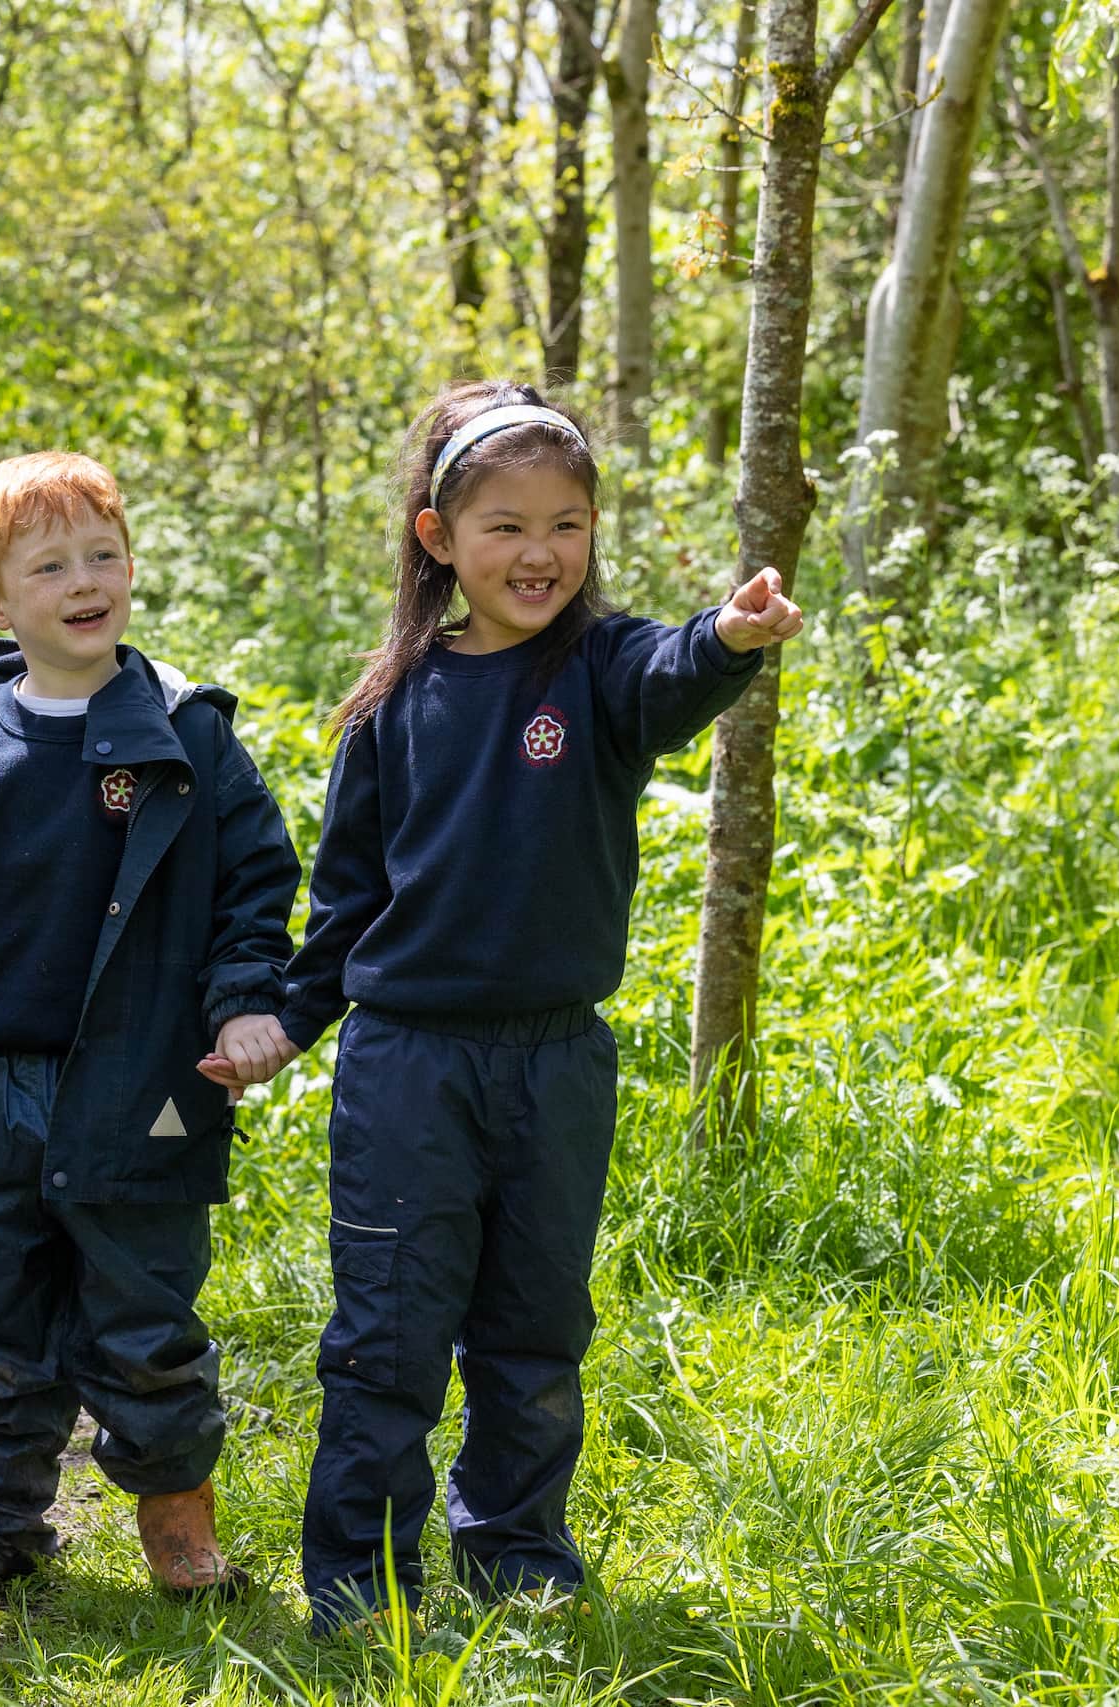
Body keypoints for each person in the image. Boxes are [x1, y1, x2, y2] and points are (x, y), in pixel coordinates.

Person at [278, 381, 805, 1632]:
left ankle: (516, 1553)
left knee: (535, 1327)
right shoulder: (395, 706)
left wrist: (727, 637)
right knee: (391, 1334)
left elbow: (678, 671)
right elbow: (342, 901)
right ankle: (362, 1578)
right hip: (408, 1064)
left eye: (566, 524)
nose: (540, 553)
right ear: (438, 540)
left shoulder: (605, 670)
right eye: (506, 526)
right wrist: (282, 1023)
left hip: (557, 1063)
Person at [0, 451, 302, 1605]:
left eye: (103, 556)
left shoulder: (190, 738)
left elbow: (251, 889)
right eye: (51, 566)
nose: (87, 582)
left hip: (141, 1080)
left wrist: (243, 999)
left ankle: (182, 1531)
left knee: (143, 1314)